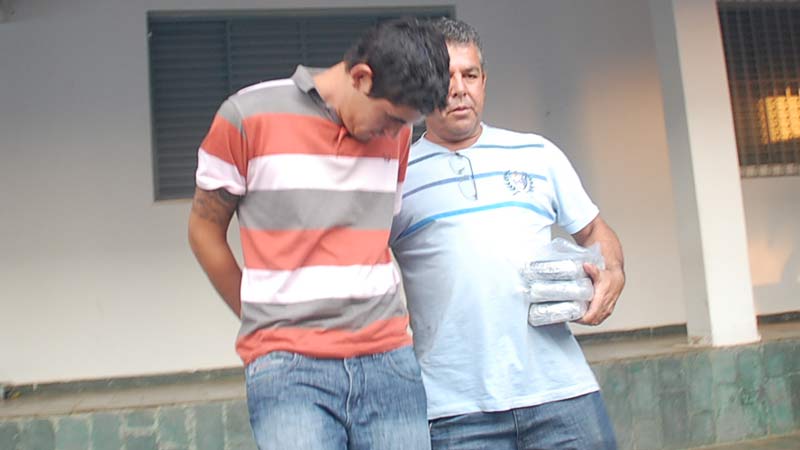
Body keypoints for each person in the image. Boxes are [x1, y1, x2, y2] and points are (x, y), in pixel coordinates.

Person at [188, 18, 450, 450]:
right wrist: (259, 319)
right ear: (361, 77)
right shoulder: (247, 116)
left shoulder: (399, 135)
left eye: (406, 125)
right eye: (389, 119)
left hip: (388, 358)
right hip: (289, 367)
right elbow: (203, 230)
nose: (394, 134)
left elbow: (374, 234)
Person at [390, 18, 625, 449]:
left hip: (561, 393)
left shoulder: (537, 153)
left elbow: (594, 229)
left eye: (470, 75)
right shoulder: (397, 176)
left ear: (484, 81)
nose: (458, 88)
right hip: (455, 411)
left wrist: (613, 271)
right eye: (443, 76)